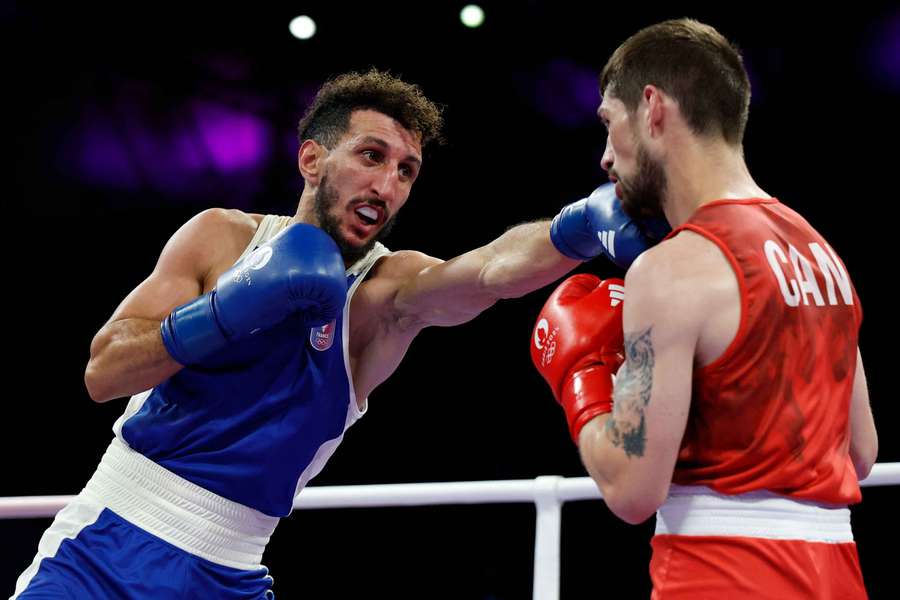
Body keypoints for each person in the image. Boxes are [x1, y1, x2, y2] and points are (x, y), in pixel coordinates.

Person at [12, 69, 663, 599]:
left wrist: (575, 228)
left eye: (406, 171)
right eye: (372, 156)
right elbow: (103, 374)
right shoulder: (219, 237)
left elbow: (489, 270)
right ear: (313, 159)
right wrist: (226, 312)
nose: (386, 184)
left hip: (230, 572)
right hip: (103, 548)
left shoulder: (385, 294)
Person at [530, 19, 878, 599]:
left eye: (609, 125)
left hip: (719, 575)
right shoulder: (821, 253)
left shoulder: (672, 269)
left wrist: (580, 375)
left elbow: (631, 489)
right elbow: (860, 451)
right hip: (838, 574)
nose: (605, 159)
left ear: (652, 108)